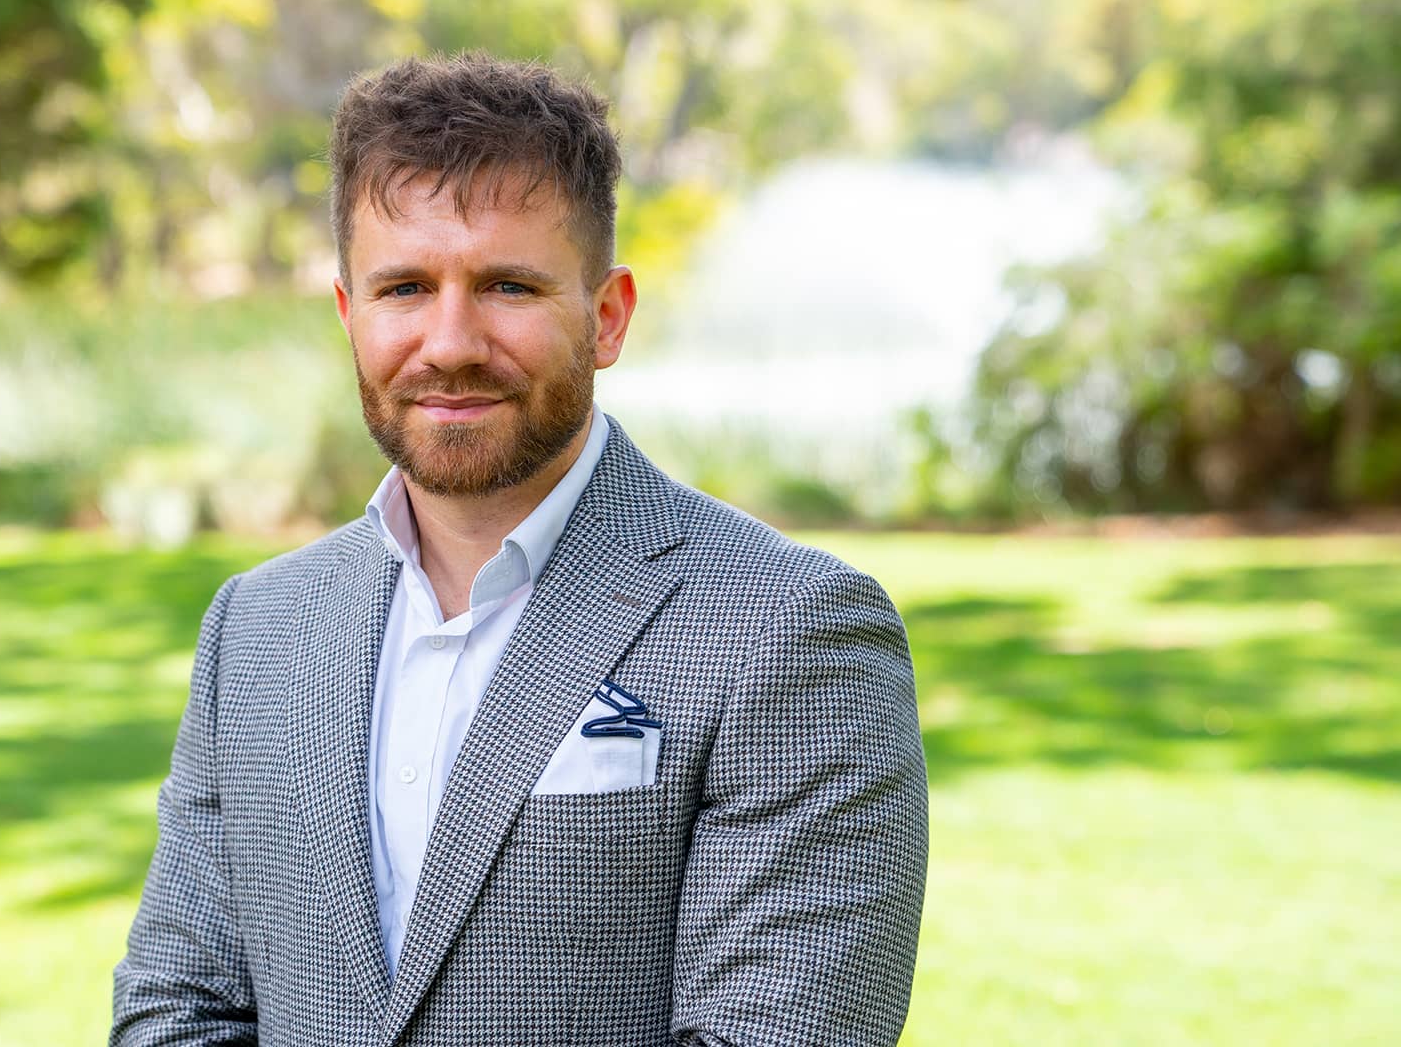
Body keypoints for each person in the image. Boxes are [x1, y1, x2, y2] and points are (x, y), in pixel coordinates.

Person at [110, 52, 928, 1046]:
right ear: (348, 313)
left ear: (608, 315)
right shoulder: (258, 628)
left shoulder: (790, 633)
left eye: (506, 286)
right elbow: (175, 1013)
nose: (449, 342)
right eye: (405, 287)